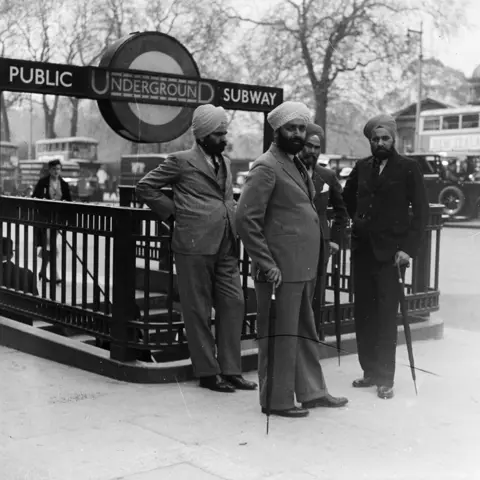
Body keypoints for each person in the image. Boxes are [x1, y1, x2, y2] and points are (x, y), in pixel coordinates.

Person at [236, 101, 348, 418]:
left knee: (303, 331)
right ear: (278, 130)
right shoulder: (266, 166)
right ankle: (276, 399)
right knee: (279, 336)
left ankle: (312, 391)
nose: (298, 134)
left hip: (301, 267)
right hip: (279, 271)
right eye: (292, 128)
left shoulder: (293, 163)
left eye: (301, 128)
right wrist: (267, 263)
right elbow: (245, 220)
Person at [135, 104, 257, 393]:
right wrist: (174, 214)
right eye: (218, 134)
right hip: (193, 245)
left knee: (234, 304)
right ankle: (208, 373)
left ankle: (231, 370)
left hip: (226, 242)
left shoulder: (225, 162)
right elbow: (145, 187)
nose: (223, 138)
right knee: (198, 310)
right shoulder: (180, 161)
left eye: (224, 132)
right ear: (202, 135)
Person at [342, 114, 429, 400]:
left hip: (390, 255)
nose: (380, 143)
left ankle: (385, 378)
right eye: (375, 139)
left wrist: (407, 249)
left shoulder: (408, 168)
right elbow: (348, 197)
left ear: (393, 140)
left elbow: (421, 212)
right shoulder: (362, 167)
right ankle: (369, 372)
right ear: (370, 141)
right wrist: (360, 220)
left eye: (385, 138)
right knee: (364, 313)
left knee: (385, 316)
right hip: (363, 251)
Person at [298, 123, 349, 333]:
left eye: (317, 147)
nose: (312, 151)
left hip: (320, 245)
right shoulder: (288, 171)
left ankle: (314, 338)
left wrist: (336, 240)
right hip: (294, 242)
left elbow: (342, 210)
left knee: (317, 294)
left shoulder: (326, 175)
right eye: (308, 145)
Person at [32, 159, 72, 283]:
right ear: (49, 170)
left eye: (58, 169)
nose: (56, 171)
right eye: (54, 169)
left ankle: (43, 272)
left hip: (57, 220)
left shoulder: (64, 184)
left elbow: (68, 202)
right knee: (51, 246)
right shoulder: (43, 182)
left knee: (48, 246)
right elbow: (34, 198)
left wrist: (66, 218)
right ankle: (55, 275)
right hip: (45, 219)